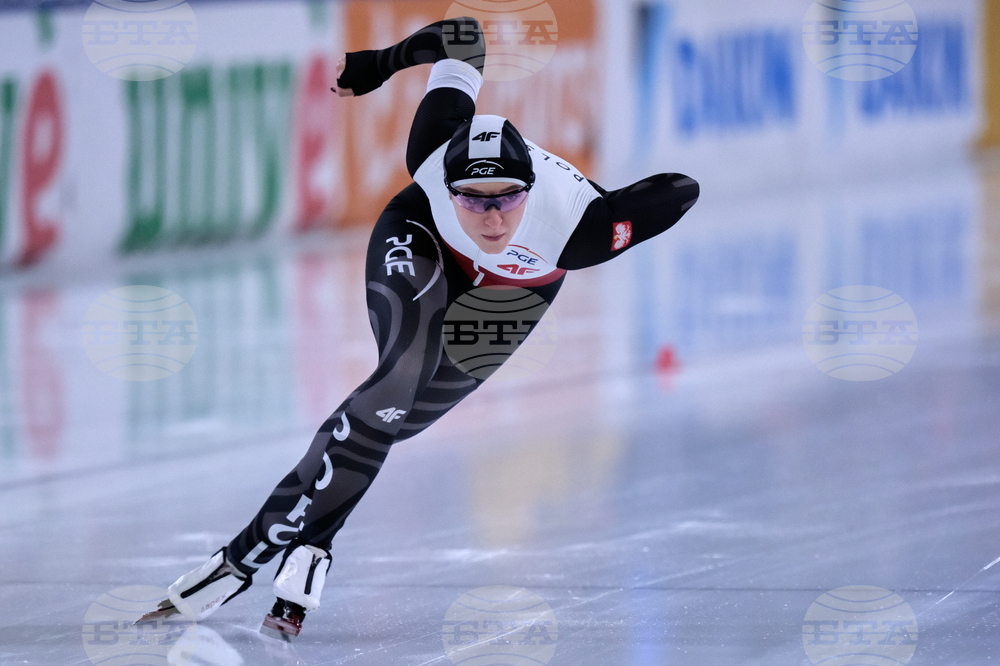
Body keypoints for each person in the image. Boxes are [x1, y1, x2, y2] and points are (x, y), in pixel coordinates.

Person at [141, 17, 699, 639]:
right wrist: (381, 63)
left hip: (520, 287)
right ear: (448, 182)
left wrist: (623, 212)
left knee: (396, 423)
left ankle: (303, 544)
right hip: (423, 239)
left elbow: (681, 189)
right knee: (397, 379)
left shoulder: (580, 229)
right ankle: (246, 562)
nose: (490, 217)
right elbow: (462, 37)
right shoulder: (431, 151)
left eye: (507, 198)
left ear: (532, 189)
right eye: (472, 197)